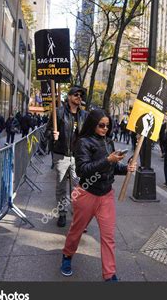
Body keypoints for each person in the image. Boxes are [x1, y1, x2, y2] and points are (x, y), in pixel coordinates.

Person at [60, 109, 137, 280]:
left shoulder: (109, 141)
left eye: (107, 126)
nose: (105, 129)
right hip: (86, 193)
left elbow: (113, 168)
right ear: (93, 124)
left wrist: (126, 168)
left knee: (108, 237)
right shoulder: (83, 142)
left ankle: (109, 275)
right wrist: (107, 160)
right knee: (76, 231)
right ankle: (67, 255)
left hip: (106, 195)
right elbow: (82, 170)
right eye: (101, 125)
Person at [45, 86, 88, 227]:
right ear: (69, 97)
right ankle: (62, 214)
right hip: (61, 155)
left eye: (81, 95)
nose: (79, 97)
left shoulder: (84, 115)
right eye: (76, 94)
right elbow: (46, 132)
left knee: (77, 187)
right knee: (61, 187)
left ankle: (76, 215)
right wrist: (53, 134)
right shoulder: (58, 113)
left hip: (78, 157)